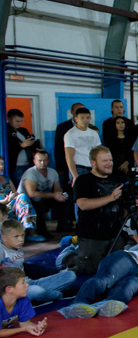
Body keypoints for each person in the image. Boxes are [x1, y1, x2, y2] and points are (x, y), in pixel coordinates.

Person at [74, 146, 125, 275]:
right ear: (93, 162)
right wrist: (110, 198)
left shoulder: (116, 180)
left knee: (117, 271)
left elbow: (122, 206)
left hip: (115, 235)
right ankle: (69, 258)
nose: (109, 164)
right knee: (90, 272)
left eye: (110, 160)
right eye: (104, 161)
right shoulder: (83, 181)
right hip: (92, 237)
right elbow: (83, 204)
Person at [0, 219, 76, 304]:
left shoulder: (17, 246)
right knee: (37, 291)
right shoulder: (1, 250)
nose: (21, 239)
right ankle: (57, 295)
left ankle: (43, 295)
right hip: (14, 290)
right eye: (16, 236)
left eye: (22, 235)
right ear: (4, 238)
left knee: (70, 275)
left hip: (28, 283)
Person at [17, 150, 72, 233]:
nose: (42, 163)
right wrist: (53, 195)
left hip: (44, 197)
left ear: (48, 160)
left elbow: (57, 190)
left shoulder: (52, 172)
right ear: (34, 161)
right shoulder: (30, 173)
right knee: (38, 200)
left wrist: (60, 195)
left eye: (45, 160)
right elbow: (31, 193)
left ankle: (63, 226)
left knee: (67, 198)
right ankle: (42, 231)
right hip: (27, 202)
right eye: (40, 161)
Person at [0, 267, 48, 338]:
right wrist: (22, 329)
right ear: (9, 289)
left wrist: (37, 327)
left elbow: (24, 323)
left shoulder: (23, 299)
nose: (27, 284)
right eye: (23, 282)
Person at [64, 106, 102, 186]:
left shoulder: (94, 133)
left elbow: (98, 152)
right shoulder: (70, 134)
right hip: (79, 168)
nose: (85, 120)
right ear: (76, 118)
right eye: (82, 118)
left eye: (87, 118)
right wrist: (75, 176)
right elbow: (69, 157)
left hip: (92, 168)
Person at [7, 108, 39, 186]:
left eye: (21, 121)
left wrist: (32, 143)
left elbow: (30, 146)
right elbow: (9, 149)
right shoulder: (5, 131)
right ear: (9, 119)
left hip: (28, 163)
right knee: (20, 187)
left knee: (31, 185)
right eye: (17, 121)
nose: (19, 124)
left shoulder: (23, 131)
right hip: (16, 165)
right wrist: (21, 146)